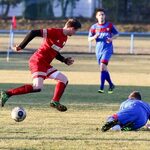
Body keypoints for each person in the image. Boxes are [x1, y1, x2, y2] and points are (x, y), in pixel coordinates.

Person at [0, 18, 81, 112]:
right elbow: (33, 32)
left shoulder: (64, 38)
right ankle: (7, 93)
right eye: (75, 30)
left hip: (45, 64)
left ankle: (55, 101)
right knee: (37, 87)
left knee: (64, 79)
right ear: (69, 27)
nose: (75, 32)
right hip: (37, 60)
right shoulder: (54, 31)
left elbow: (54, 52)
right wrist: (21, 46)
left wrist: (64, 60)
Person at [88, 8, 119, 94]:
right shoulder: (94, 27)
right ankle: (111, 85)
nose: (101, 16)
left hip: (107, 49)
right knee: (103, 69)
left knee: (102, 66)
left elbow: (117, 34)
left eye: (103, 14)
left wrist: (111, 38)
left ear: (105, 16)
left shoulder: (109, 25)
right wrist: (94, 37)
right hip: (98, 50)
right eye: (99, 15)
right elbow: (89, 39)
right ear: (96, 17)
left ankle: (101, 87)